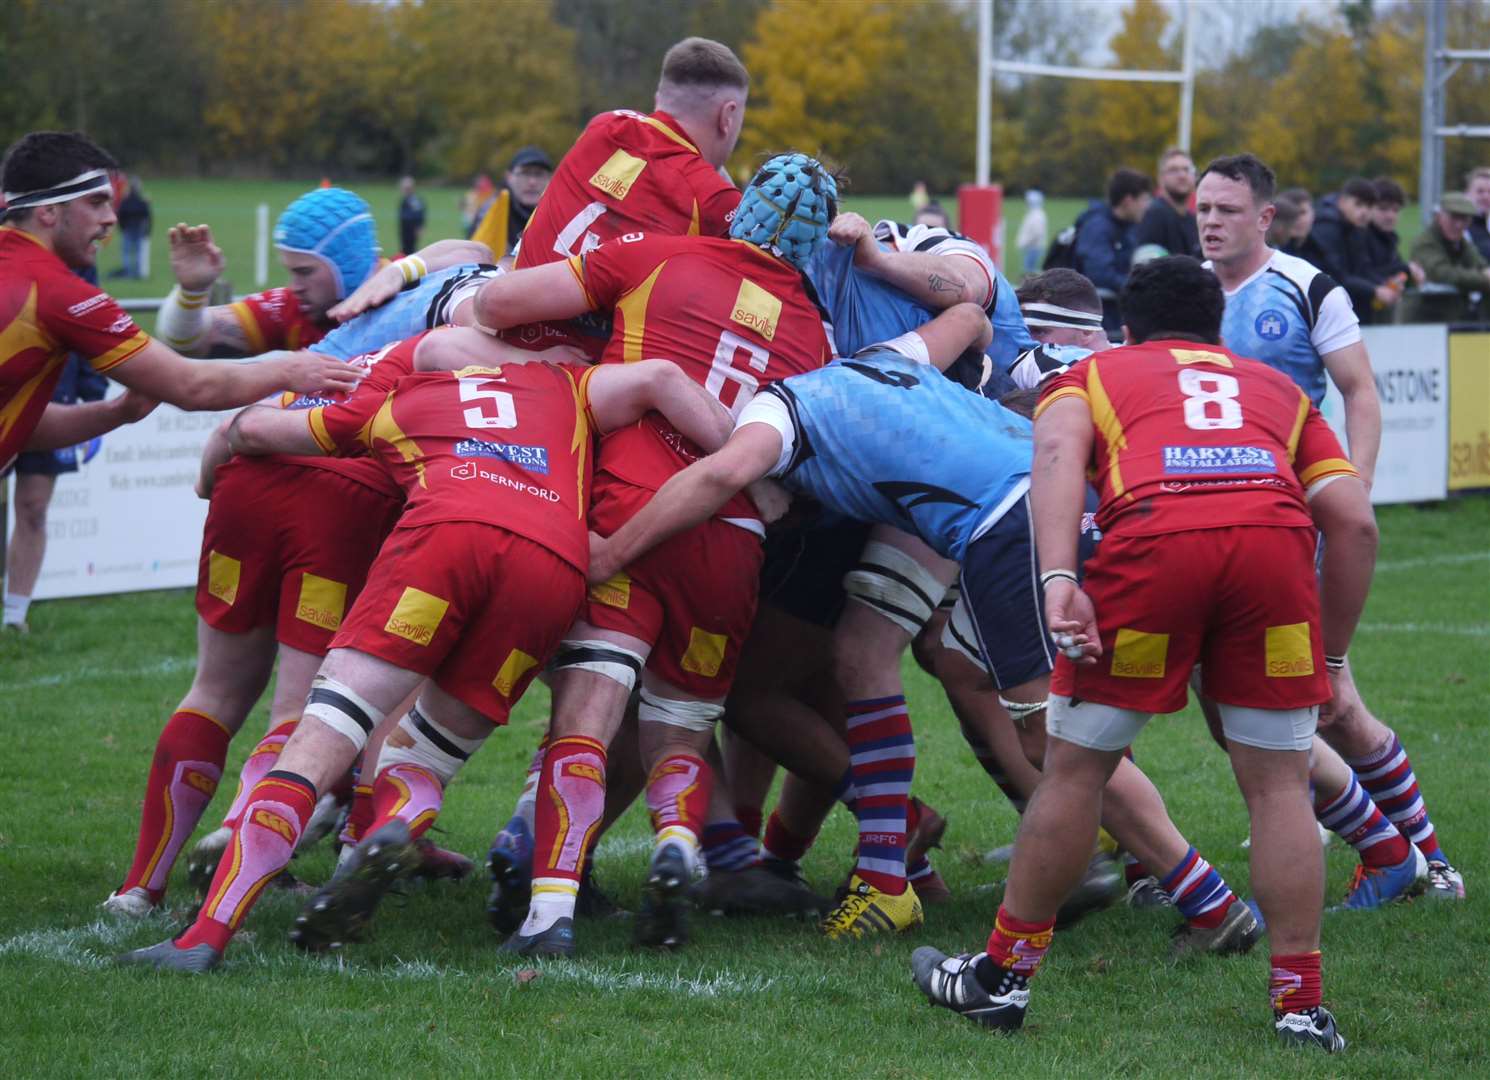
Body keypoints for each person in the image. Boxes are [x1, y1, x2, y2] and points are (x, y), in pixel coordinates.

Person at [589, 301, 1262, 950]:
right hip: (1073, 496)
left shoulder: (775, 410)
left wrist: (614, 552)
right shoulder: (880, 359)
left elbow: (719, 474)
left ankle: (1204, 900)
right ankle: (895, 873)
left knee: (1054, 743)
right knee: (984, 687)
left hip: (1011, 522)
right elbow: (966, 319)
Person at [113, 325, 737, 972]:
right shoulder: (564, 384)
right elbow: (659, 378)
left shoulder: (397, 400)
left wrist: (230, 447)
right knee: (425, 755)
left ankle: (205, 936)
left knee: (322, 735)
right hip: (553, 565)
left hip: (444, 541)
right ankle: (407, 825)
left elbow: (253, 434)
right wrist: (755, 464)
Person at [913, 256, 1374, 1052]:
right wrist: (1331, 660)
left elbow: (1055, 462)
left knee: (1076, 768)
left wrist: (1060, 579)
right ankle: (1300, 1007)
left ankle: (1002, 979)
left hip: (1155, 547)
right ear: (1217, 331)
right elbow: (1355, 524)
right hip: (1272, 556)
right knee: (1278, 786)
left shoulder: (1094, 374)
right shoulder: (1279, 389)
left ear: (1127, 327)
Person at [473, 152, 836, 957]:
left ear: (741, 211)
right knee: (678, 728)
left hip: (630, 508)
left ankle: (549, 915)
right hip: (735, 543)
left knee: (588, 715)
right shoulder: (817, 332)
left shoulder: (660, 252)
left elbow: (500, 301)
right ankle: (677, 845)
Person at [1198, 153, 1461, 900]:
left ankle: (1420, 859)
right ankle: (1379, 845)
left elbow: (1360, 391)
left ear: (1265, 217)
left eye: (1225, 210)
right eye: (1203, 210)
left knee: (1327, 699)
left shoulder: (1307, 286)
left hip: (1286, 526)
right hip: (1210, 526)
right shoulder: (1183, 288)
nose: (1211, 222)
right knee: (1227, 702)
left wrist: (1355, 487)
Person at [0, 130, 357, 479]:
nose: (111, 218)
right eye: (96, 202)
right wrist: (289, 371)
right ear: (47, 212)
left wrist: (118, 411)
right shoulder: (58, 292)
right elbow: (192, 386)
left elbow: (21, 424)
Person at [500, 36, 749, 359]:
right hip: (588, 374)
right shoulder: (715, 200)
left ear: (660, 97)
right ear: (727, 116)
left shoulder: (604, 126)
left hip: (507, 332)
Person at [3, 352, 107, 632]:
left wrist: (94, 405)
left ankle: (15, 616)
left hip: (51, 405)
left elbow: (87, 343)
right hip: (5, 403)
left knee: (34, 509)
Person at [1073, 168, 1152, 335]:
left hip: (1116, 317)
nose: (1147, 206)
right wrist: (1139, 288)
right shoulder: (1097, 228)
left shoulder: (1128, 228)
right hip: (1100, 323)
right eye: (1144, 199)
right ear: (1128, 201)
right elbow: (1100, 274)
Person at [1403, 192, 1490, 324]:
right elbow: (1443, 273)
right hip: (1424, 320)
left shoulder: (1460, 242)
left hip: (1452, 317)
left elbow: (1480, 263)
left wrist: (1485, 273)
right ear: (1439, 217)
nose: (1459, 225)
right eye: (1454, 218)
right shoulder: (1425, 242)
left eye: (1464, 219)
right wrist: (1484, 279)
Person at [1305, 177, 1378, 319]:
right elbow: (1337, 276)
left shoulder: (1354, 226)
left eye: (1369, 207)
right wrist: (1376, 290)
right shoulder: (1326, 227)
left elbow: (1362, 268)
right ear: (1342, 202)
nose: (1364, 212)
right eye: (1359, 204)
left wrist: (1384, 284)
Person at [1361, 177, 1421, 320]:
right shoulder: (1360, 237)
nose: (1390, 216)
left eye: (1395, 210)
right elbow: (1365, 272)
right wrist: (1407, 269)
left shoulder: (1389, 238)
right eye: (1383, 208)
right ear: (1368, 207)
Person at [1134, 148, 1199, 258]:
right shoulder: (1155, 216)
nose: (1182, 175)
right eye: (1174, 170)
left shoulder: (1193, 220)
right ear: (1161, 178)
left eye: (1187, 170)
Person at [111, 175, 150, 279]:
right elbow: (146, 216)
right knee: (137, 252)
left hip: (127, 229)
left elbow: (120, 215)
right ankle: (137, 272)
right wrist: (147, 230)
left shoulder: (125, 201)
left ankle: (128, 272)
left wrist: (122, 227)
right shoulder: (142, 201)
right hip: (138, 229)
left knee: (126, 252)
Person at [1016, 190, 1047, 276]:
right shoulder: (1035, 213)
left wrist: (1026, 243)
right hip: (1032, 247)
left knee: (1029, 272)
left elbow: (1037, 233)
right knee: (1029, 270)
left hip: (1033, 248)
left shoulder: (1037, 215)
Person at [1464, 166, 1490, 262]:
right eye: (1480, 191)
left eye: (1489, 192)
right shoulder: (1459, 228)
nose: (1486, 196)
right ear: (1467, 195)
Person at [397, 176, 425, 255]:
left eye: (406, 188)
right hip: (404, 228)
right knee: (405, 247)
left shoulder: (414, 200)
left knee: (410, 248)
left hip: (411, 229)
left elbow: (420, 214)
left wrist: (420, 226)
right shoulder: (405, 199)